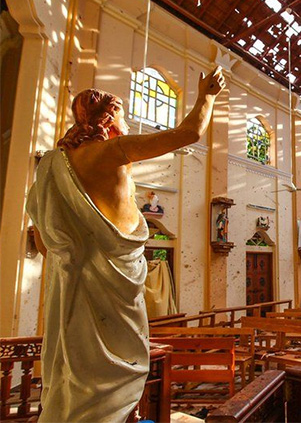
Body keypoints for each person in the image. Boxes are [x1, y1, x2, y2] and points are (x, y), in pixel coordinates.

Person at [26, 68, 226, 422]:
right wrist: (207, 95)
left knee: (77, 368)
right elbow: (189, 132)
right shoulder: (112, 151)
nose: (126, 120)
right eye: (121, 113)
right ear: (107, 118)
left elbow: (44, 240)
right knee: (117, 366)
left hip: (75, 282)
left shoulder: (52, 165)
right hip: (115, 281)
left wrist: (76, 260)